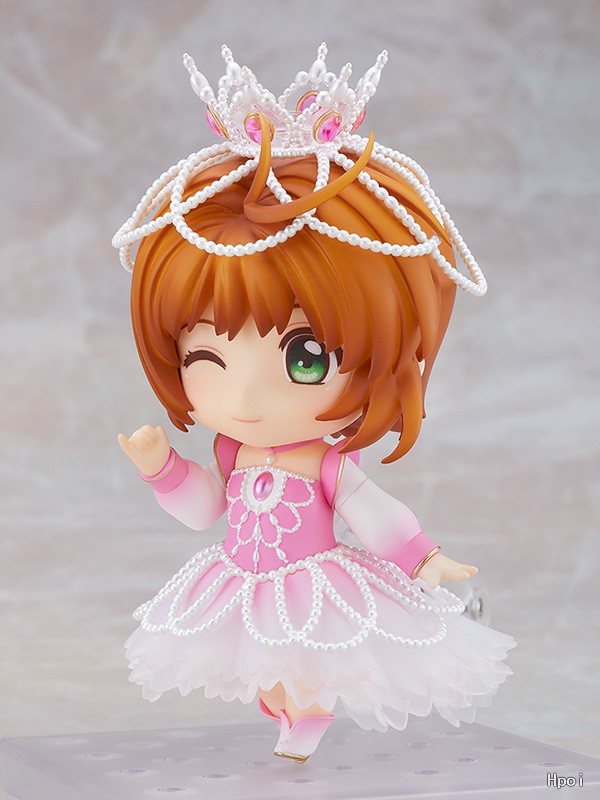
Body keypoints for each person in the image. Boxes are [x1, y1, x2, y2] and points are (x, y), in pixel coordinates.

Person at [114, 44, 515, 763]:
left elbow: (376, 515)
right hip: (243, 582)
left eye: (305, 359)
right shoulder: (231, 450)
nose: (245, 396)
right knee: (264, 675)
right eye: (205, 359)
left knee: (307, 668)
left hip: (313, 585)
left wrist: (424, 559)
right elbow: (205, 510)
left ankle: (310, 714)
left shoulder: (325, 464)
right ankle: (289, 711)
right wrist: (161, 469)